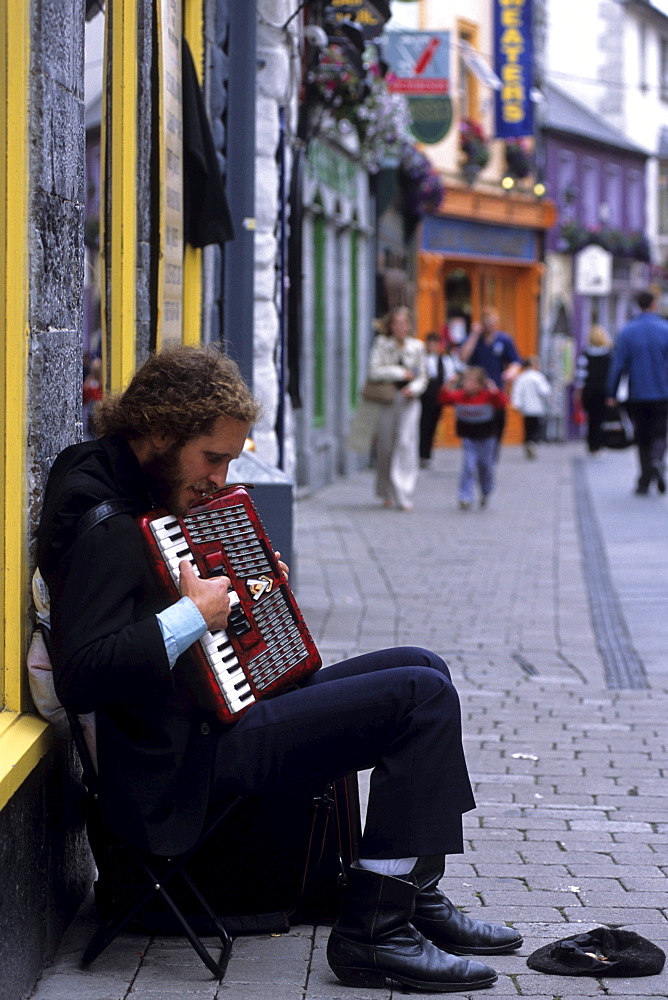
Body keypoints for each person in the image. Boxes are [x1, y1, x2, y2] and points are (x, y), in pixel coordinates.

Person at [37, 345, 521, 994]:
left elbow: (157, 602)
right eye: (213, 458)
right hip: (175, 767)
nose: (220, 476)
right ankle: (373, 934)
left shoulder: (137, 481)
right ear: (157, 432)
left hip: (207, 718)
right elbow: (84, 672)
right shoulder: (101, 515)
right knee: (418, 697)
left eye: (229, 460)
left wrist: (242, 589)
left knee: (423, 665)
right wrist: (193, 615)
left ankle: (412, 895)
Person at [606, 289, 668, 495]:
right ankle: (657, 461)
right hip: (663, 393)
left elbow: (618, 365)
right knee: (660, 432)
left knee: (642, 436)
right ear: (654, 305)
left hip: (637, 393)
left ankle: (644, 480)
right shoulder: (665, 329)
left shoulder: (627, 331)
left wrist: (612, 393)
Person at [367, 306, 427, 511]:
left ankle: (404, 493)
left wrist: (413, 387)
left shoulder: (418, 346)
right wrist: (402, 374)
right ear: (390, 325)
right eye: (396, 323)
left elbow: (423, 376)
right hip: (387, 400)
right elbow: (374, 372)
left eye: (404, 323)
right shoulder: (382, 344)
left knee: (405, 443)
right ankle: (386, 492)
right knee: (385, 447)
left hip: (409, 401)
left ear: (409, 325)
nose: (400, 327)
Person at [439, 366, 508, 510]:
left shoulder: (487, 396)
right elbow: (443, 398)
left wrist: (494, 390)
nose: (467, 385)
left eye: (471, 382)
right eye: (465, 382)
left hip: (487, 438)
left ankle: (485, 491)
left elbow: (502, 402)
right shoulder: (460, 396)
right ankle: (465, 496)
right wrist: (449, 383)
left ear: (479, 384)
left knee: (486, 466)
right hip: (469, 437)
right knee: (469, 466)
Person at [459, 308, 522, 460]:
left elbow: (516, 361)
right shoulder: (475, 339)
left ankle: (492, 452)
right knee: (476, 421)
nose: (490, 326)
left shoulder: (504, 340)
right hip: (476, 390)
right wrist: (474, 334)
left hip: (495, 388)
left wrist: (510, 372)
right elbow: (462, 357)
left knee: (498, 421)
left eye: (493, 322)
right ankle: (475, 452)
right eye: (487, 323)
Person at [573, 324, 613, 455]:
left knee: (591, 418)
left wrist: (578, 392)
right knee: (600, 418)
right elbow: (612, 375)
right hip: (603, 391)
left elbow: (581, 375)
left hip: (589, 391)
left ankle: (591, 444)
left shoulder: (585, 354)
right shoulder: (609, 355)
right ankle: (598, 445)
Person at [510, 356, 551, 459]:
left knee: (528, 427)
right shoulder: (538, 377)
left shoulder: (521, 377)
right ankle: (533, 443)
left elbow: (517, 392)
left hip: (526, 408)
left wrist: (516, 404)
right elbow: (545, 391)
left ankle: (528, 442)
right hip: (537, 408)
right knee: (535, 427)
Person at [419, 332, 445, 468]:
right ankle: (420, 453)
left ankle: (427, 455)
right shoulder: (421, 359)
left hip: (436, 399)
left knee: (432, 426)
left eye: (434, 343)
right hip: (423, 398)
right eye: (430, 343)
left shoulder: (444, 360)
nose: (431, 346)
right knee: (421, 425)